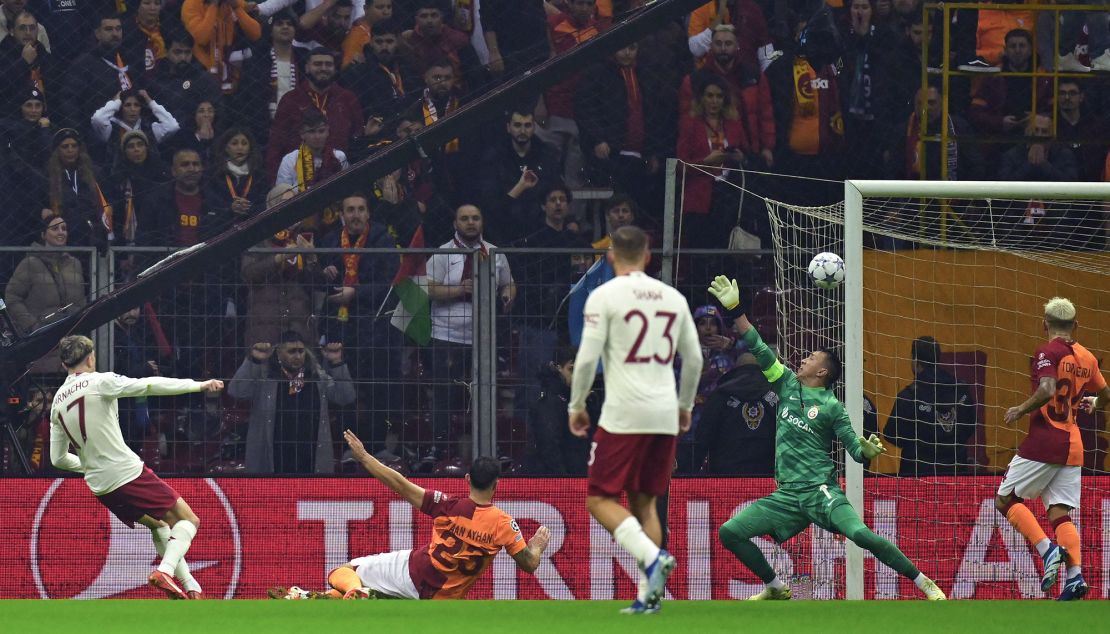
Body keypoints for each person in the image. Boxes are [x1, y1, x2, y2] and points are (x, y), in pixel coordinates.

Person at [707, 274, 946, 601]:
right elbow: (758, 346)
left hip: (821, 491)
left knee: (860, 534)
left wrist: (865, 449)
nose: (803, 359)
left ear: (822, 372)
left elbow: (856, 452)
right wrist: (735, 310)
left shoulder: (833, 407)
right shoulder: (786, 384)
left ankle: (924, 583)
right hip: (788, 495)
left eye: (812, 358)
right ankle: (775, 587)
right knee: (730, 532)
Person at [567, 225, 702, 614]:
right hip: (663, 413)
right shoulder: (672, 297)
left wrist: (576, 405)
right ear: (647, 256)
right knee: (646, 504)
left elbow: (588, 356)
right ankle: (650, 596)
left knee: (599, 498)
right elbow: (694, 360)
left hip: (624, 412)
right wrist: (685, 406)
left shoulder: (604, 295)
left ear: (610, 256)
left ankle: (652, 558)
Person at [48, 334, 224, 599]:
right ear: (91, 357)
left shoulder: (57, 403)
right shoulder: (101, 381)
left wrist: (90, 467)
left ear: (64, 365)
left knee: (159, 525)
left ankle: (191, 590)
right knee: (188, 520)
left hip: (100, 486)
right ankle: (165, 571)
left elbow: (57, 459)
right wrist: (198, 386)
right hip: (125, 472)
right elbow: (149, 385)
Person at [271, 434, 550, 599]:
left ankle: (354, 591)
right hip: (441, 598)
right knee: (377, 595)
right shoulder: (503, 523)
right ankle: (306, 597)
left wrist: (365, 457)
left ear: (467, 479)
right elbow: (529, 564)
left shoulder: (447, 505)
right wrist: (537, 543)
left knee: (343, 572)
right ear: (496, 485)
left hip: (413, 573)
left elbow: (399, 483)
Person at [996, 297, 1108, 601]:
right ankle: (1075, 577)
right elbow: (1106, 393)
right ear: (1076, 325)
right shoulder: (1087, 357)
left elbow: (1046, 390)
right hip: (1073, 445)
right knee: (1060, 512)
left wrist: (1020, 409)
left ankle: (1047, 551)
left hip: (1045, 440)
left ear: (1044, 323)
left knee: (1005, 499)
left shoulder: (1047, 352)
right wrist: (1097, 403)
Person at [227, 331, 356, 474]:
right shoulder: (265, 378)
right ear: (279, 353)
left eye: (301, 351)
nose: (298, 356)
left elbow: (346, 397)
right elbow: (236, 391)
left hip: (310, 458)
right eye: (292, 351)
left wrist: (337, 362)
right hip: (273, 460)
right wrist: (254, 360)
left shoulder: (317, 378)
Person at [4, 214, 87, 376]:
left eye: (64, 228)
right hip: (42, 345)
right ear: (43, 235)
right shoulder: (30, 264)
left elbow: (81, 301)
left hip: (71, 343)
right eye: (55, 228)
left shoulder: (75, 264)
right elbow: (12, 297)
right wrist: (32, 325)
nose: (61, 232)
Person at [885, 336, 977, 476]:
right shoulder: (960, 389)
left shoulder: (909, 395)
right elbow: (970, 427)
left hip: (917, 473)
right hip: (955, 471)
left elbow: (891, 433)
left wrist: (918, 443)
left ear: (915, 360)